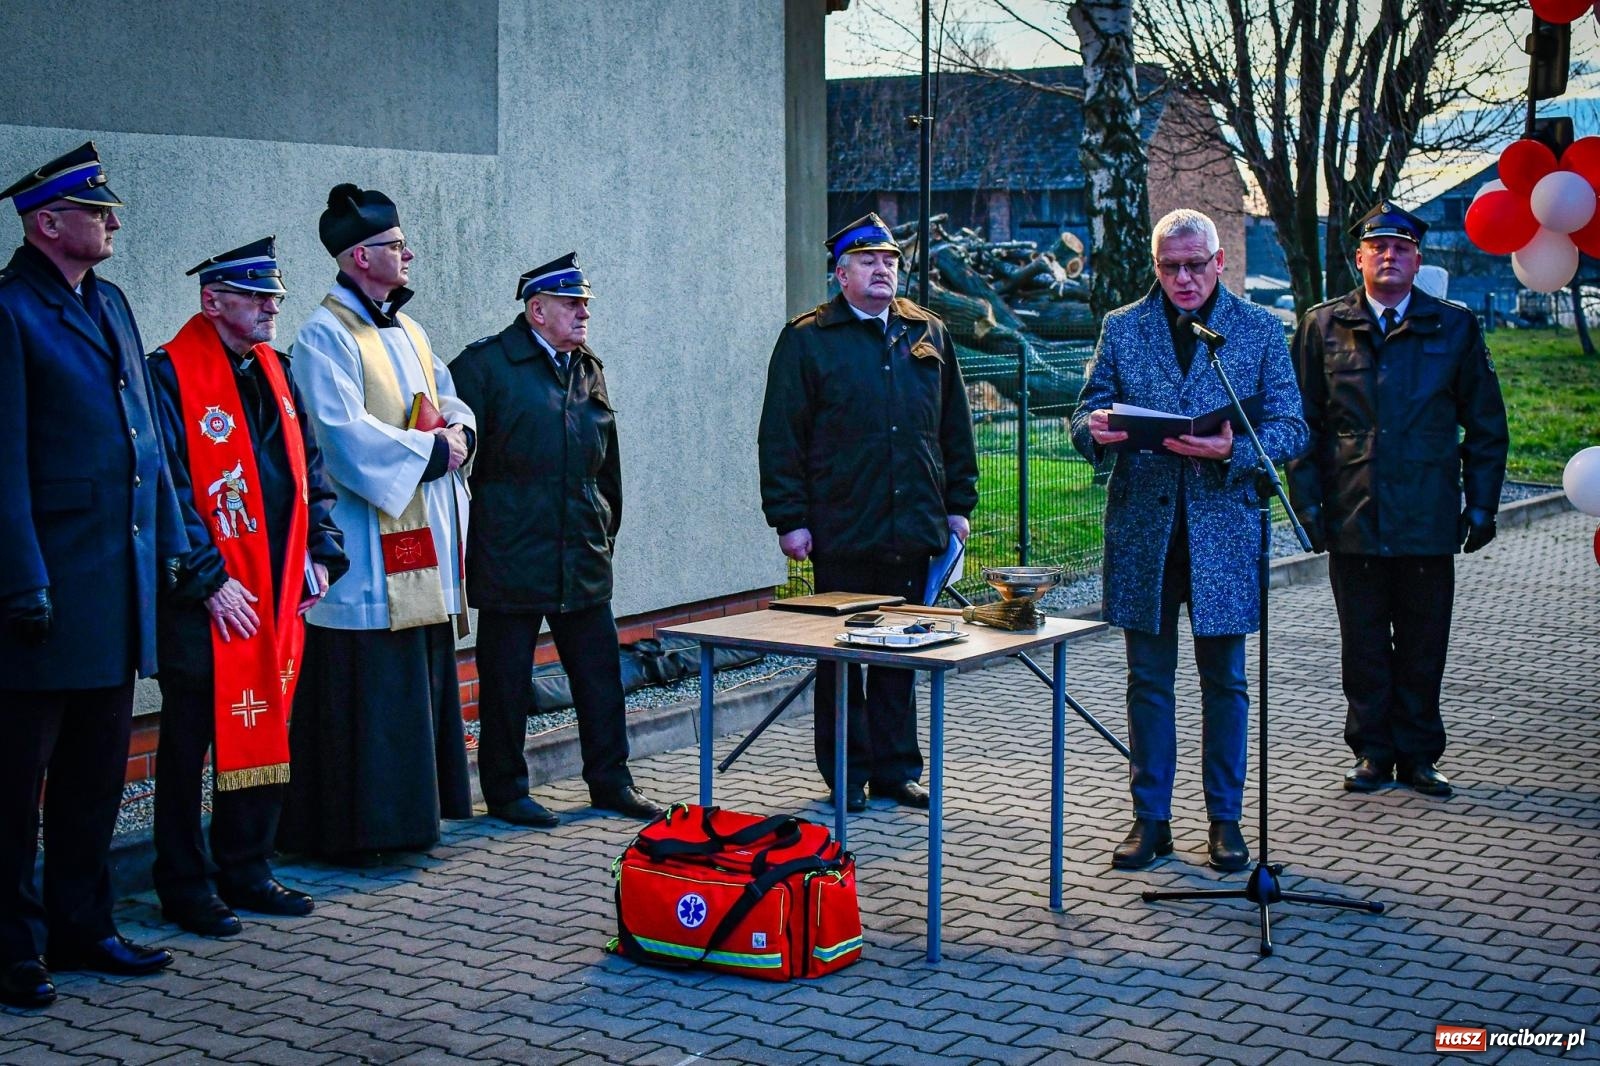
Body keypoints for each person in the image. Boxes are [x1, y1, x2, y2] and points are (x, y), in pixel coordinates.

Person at [0, 143, 184, 1007]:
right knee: (13, 785)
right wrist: (20, 579)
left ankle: (84, 926)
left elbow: (148, 445)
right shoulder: (9, 314)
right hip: (43, 595)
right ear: (47, 224)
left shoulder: (109, 302)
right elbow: (1, 464)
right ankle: (11, 948)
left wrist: (176, 548)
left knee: (95, 775)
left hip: (118, 590)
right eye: (96, 211)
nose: (112, 222)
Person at [1071, 208, 1308, 872]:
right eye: (1169, 266)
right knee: (1147, 681)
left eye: (1193, 265)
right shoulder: (1123, 326)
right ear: (1156, 265)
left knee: (1224, 683)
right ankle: (1151, 821)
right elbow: (1086, 408)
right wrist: (1096, 430)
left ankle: (1225, 822)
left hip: (1222, 532)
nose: (1181, 278)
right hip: (1145, 530)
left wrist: (1234, 446)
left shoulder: (1257, 330)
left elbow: (1292, 426)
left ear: (1218, 262)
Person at [148, 237, 349, 936]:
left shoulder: (276, 369)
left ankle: (248, 866)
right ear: (213, 301)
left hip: (273, 590)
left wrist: (319, 552)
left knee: (267, 717)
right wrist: (208, 579)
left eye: (274, 298)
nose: (271, 308)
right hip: (206, 599)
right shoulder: (169, 375)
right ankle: (182, 880)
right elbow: (167, 490)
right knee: (189, 741)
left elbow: (308, 469)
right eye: (257, 297)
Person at [276, 184, 476, 861]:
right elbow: (337, 437)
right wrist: (430, 450)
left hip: (416, 537)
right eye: (396, 246)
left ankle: (413, 820)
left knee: (412, 680)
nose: (409, 253)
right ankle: (355, 829)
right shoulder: (322, 334)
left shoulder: (410, 330)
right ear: (360, 256)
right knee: (366, 688)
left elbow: (447, 398)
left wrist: (460, 434)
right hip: (365, 550)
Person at [758, 213, 979, 813]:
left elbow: (954, 426)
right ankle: (846, 776)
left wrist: (959, 505)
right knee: (843, 657)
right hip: (841, 527)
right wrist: (790, 518)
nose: (883, 271)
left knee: (901, 654)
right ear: (840, 273)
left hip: (913, 526)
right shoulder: (807, 340)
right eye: (868, 262)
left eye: (890, 262)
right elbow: (781, 436)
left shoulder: (926, 332)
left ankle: (896, 769)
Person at [1287, 203, 1509, 799]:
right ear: (1359, 257)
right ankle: (1371, 752)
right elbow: (1299, 427)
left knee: (1422, 641)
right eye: (1378, 247)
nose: (1390, 257)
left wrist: (1482, 506)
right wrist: (1306, 508)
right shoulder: (1321, 327)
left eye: (1402, 248)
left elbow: (1486, 425)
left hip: (1427, 514)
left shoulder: (1454, 327)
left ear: (1417, 258)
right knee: (1361, 643)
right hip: (1352, 512)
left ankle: (1418, 754)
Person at [452, 253, 665, 826]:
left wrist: (601, 527)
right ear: (536, 309)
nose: (583, 314)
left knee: (599, 676)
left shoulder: (586, 367)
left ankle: (611, 781)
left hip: (581, 551)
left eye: (585, 304)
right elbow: (458, 463)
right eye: (572, 304)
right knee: (505, 681)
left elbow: (607, 467)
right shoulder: (486, 367)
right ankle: (505, 791)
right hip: (512, 553)